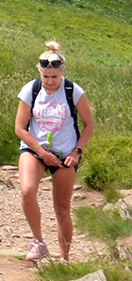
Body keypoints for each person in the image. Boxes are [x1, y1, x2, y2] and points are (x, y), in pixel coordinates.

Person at [15, 41, 94, 264]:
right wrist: (41, 152)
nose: (50, 82)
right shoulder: (31, 89)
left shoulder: (73, 91)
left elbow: (89, 125)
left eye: (54, 78)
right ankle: (39, 242)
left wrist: (77, 152)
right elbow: (20, 128)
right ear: (40, 73)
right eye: (46, 77)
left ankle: (64, 258)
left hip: (66, 152)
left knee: (61, 208)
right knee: (27, 190)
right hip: (35, 148)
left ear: (61, 74)